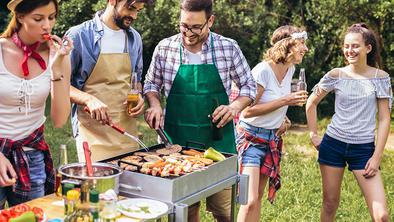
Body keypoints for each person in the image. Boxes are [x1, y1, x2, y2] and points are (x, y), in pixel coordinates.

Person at [143, 0, 256, 221]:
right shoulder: (165, 48)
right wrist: (154, 104)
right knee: (184, 210)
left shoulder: (228, 47)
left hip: (218, 143)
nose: (188, 33)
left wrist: (234, 107)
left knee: (223, 211)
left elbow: (249, 86)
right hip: (176, 145)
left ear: (210, 21)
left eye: (196, 27)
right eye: (184, 26)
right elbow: (151, 84)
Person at [306, 23, 391, 221]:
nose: (349, 51)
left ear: (368, 48)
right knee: (329, 204)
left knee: (382, 216)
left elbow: (384, 118)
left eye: (355, 46)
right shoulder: (336, 75)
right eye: (346, 46)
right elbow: (311, 102)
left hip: (364, 150)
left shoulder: (381, 78)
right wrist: (313, 134)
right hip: (333, 145)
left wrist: (377, 156)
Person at [0, 0, 72, 207]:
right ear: (20, 17)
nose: (47, 26)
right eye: (38, 19)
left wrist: (57, 66)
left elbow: (59, 120)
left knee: (32, 215)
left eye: (51, 17)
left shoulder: (58, 55)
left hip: (30, 155)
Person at [235, 25, 309, 221]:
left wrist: (282, 118)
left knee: (257, 197)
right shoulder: (262, 71)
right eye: (301, 43)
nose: (306, 49)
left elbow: (274, 103)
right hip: (250, 138)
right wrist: (285, 101)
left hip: (271, 139)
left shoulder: (290, 68)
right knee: (248, 200)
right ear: (287, 45)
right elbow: (247, 111)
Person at [66, 0, 153, 162]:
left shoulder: (135, 39)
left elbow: (136, 80)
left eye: (138, 11)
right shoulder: (79, 36)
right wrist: (88, 99)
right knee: (97, 187)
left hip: (126, 133)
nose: (134, 15)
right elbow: (59, 86)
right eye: (131, 8)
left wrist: (139, 97)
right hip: (92, 134)